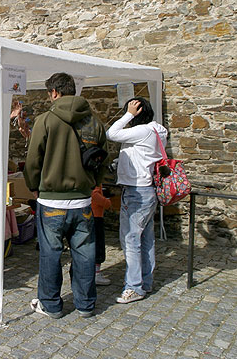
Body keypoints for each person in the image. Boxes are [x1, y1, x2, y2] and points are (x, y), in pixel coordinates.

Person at [24, 72, 107, 318]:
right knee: (84, 253)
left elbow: (33, 161)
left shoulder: (45, 120)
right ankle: (85, 304)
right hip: (82, 200)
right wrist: (93, 183)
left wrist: (34, 186)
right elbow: (104, 160)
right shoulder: (94, 122)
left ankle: (50, 304)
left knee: (51, 254)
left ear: (54, 93)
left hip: (50, 199)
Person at [106, 97, 167, 304]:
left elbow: (112, 133)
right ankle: (145, 282)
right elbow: (142, 154)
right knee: (145, 239)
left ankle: (134, 287)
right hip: (148, 189)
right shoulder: (158, 130)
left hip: (136, 191)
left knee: (131, 240)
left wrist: (128, 114)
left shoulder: (143, 131)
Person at [91, 185, 112, 286]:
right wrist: (107, 202)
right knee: (98, 244)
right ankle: (96, 273)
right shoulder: (95, 180)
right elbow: (94, 195)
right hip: (95, 216)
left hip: (92, 215)